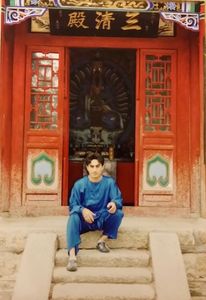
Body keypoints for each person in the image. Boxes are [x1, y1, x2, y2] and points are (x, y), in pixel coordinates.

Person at [66, 151, 124, 271]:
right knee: (73, 218)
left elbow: (117, 199)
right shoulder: (79, 185)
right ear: (87, 167)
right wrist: (82, 210)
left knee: (118, 213)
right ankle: (72, 257)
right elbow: (72, 205)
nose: (95, 170)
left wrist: (114, 203)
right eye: (91, 166)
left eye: (97, 166)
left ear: (102, 166)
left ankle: (102, 241)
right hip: (85, 220)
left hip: (101, 218)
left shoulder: (109, 183)